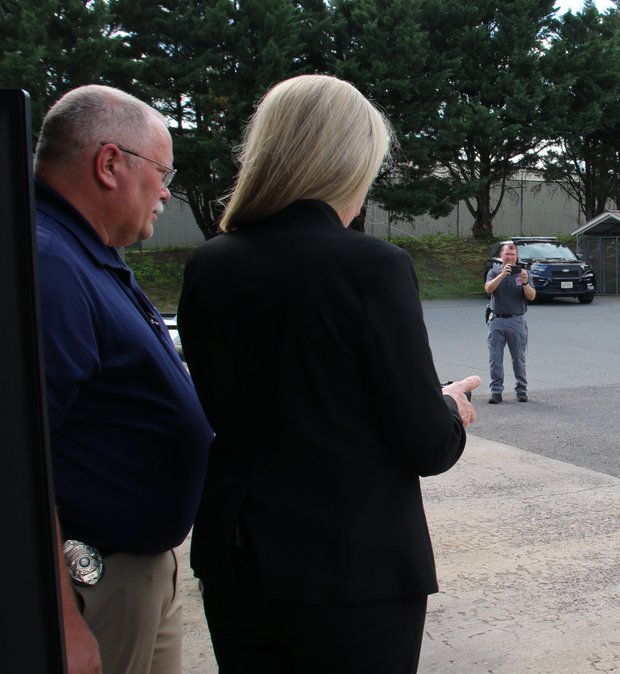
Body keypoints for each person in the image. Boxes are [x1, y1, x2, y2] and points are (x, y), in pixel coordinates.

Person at [177, 74, 479, 673]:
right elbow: (425, 443)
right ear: (349, 164)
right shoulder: (372, 267)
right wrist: (447, 407)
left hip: (238, 560)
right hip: (350, 571)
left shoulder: (209, 265)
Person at [34, 85, 213, 674]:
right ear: (109, 164)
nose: (167, 191)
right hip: (93, 585)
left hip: (135, 569)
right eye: (162, 170)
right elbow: (20, 463)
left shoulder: (85, 253)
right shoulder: (51, 266)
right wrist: (63, 623)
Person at [483, 241, 536, 403]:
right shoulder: (493, 272)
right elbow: (488, 289)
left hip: (517, 320)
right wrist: (502, 275)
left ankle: (521, 390)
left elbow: (532, 296)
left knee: (518, 357)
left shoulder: (523, 274)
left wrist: (525, 282)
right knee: (495, 357)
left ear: (517, 256)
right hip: (497, 320)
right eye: (507, 254)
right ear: (501, 256)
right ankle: (496, 391)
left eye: (513, 254)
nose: (510, 257)